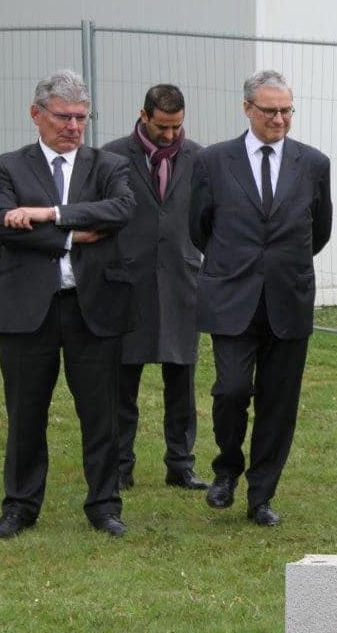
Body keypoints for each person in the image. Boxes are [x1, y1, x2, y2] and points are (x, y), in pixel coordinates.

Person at [0, 70, 135, 538]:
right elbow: (0, 223)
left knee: (100, 413)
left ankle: (104, 505)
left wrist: (47, 215)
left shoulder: (107, 165)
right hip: (26, 309)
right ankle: (20, 506)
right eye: (63, 116)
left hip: (90, 306)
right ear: (37, 114)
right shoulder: (6, 167)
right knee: (25, 413)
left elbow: (120, 210)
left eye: (81, 117)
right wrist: (74, 232)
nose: (73, 126)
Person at [189, 70, 332, 526]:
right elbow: (200, 226)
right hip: (232, 295)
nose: (279, 119)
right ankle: (227, 467)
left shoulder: (313, 163)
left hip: (288, 297)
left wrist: (279, 265)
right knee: (230, 389)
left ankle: (261, 495)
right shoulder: (213, 161)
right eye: (270, 110)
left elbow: (320, 230)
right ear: (248, 108)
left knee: (279, 400)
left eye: (287, 110)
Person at [102, 84, 207, 492]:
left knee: (181, 380)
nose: (169, 135)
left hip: (182, 281)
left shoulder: (199, 157)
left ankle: (180, 464)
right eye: (162, 127)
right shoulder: (111, 156)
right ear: (143, 115)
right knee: (121, 382)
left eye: (177, 127)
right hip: (127, 283)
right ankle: (119, 464)